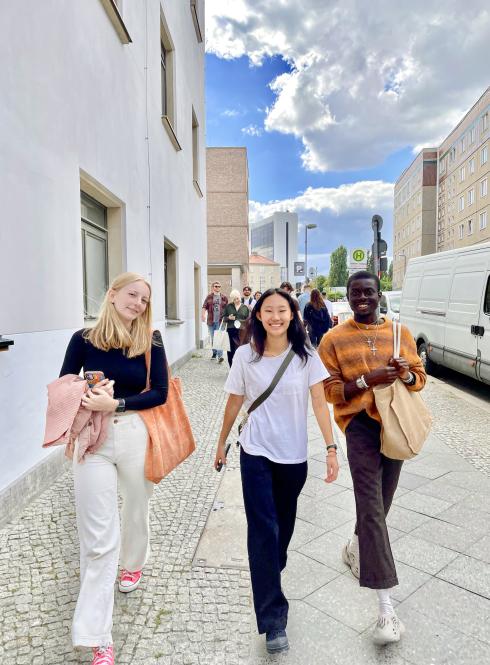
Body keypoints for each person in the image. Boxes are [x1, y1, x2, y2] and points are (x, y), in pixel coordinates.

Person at [214, 288, 339, 655]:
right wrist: (221, 442)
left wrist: (331, 448)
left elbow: (319, 402)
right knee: (263, 530)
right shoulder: (244, 357)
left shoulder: (306, 358)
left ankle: (271, 567)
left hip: (293, 457)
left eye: (281, 310)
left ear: (292, 316)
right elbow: (234, 402)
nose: (275, 317)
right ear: (258, 316)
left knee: (280, 532)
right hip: (254, 451)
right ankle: (273, 620)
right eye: (267, 310)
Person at [59, 272, 168, 665]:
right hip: (93, 440)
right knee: (100, 539)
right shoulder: (82, 339)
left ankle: (134, 563)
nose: (137, 304)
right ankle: (98, 637)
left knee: (136, 509)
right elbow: (64, 384)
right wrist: (88, 393)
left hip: (136, 434)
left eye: (144, 299)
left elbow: (161, 392)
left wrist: (118, 404)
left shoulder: (151, 339)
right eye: (132, 295)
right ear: (112, 294)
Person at [318, 270, 426, 647]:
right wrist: (369, 379)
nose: (362, 298)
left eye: (368, 292)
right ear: (347, 297)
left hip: (393, 423)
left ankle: (353, 546)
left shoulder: (401, 332)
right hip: (360, 427)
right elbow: (331, 391)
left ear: (379, 295)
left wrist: (405, 376)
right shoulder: (333, 339)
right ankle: (385, 608)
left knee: (382, 502)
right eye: (355, 293)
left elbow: (420, 378)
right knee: (371, 504)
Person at [202, 281, 228, 363]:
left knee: (219, 338)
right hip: (211, 321)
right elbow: (204, 306)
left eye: (219, 286)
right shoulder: (209, 297)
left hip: (221, 321)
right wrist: (203, 315)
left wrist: (227, 318)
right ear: (213, 287)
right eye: (216, 286)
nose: (217, 288)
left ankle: (220, 356)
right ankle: (214, 353)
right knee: (213, 338)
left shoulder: (224, 297)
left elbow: (227, 308)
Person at [222, 289, 250, 367]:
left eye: (237, 298)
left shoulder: (245, 308)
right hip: (231, 330)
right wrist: (228, 318)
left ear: (240, 297)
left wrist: (239, 320)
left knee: (241, 349)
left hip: (242, 331)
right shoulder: (229, 306)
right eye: (234, 299)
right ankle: (231, 366)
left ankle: (240, 367)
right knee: (230, 349)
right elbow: (223, 318)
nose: (236, 300)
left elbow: (248, 320)